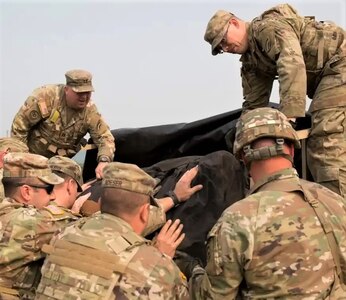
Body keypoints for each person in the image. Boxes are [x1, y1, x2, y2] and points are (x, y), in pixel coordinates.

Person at [176, 107, 346, 299]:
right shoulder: (335, 202)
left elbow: (213, 296)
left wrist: (186, 267)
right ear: (290, 149)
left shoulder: (238, 219)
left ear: (243, 156)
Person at [204, 4, 346, 197]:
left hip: (338, 64)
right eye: (220, 48)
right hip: (326, 77)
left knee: (324, 140)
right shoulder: (251, 62)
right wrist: (242, 141)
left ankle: (338, 210)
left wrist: (288, 120)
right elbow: (253, 106)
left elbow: (292, 65)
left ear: (235, 23)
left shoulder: (267, 28)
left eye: (224, 41)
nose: (225, 48)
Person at [35, 162, 191, 299]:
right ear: (145, 212)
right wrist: (160, 260)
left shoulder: (62, 233)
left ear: (101, 202)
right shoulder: (156, 266)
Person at [0, 152, 79, 299]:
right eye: (49, 189)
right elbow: (86, 227)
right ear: (27, 192)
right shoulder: (30, 221)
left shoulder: (5, 212)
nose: (53, 196)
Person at [10, 69, 115, 179]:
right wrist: (21, 160)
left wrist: (104, 160)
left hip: (63, 165)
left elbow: (105, 137)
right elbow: (19, 128)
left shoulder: (90, 112)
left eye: (87, 93)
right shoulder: (45, 97)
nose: (84, 97)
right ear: (66, 89)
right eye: (79, 93)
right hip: (33, 158)